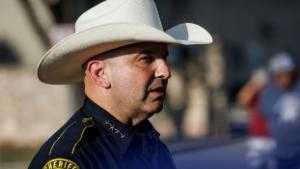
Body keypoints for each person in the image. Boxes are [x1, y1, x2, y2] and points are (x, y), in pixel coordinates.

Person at [28, 0, 212, 169]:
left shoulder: (150, 144)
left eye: (164, 58)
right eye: (146, 59)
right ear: (99, 74)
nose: (165, 71)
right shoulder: (72, 158)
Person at [260, 52, 300, 169]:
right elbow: (266, 118)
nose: (283, 79)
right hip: (280, 151)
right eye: (278, 75)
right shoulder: (267, 93)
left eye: (285, 74)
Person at [238, 68, 275, 169]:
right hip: (256, 137)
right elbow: (242, 99)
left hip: (273, 136)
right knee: (256, 165)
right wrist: (253, 86)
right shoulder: (253, 93)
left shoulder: (273, 92)